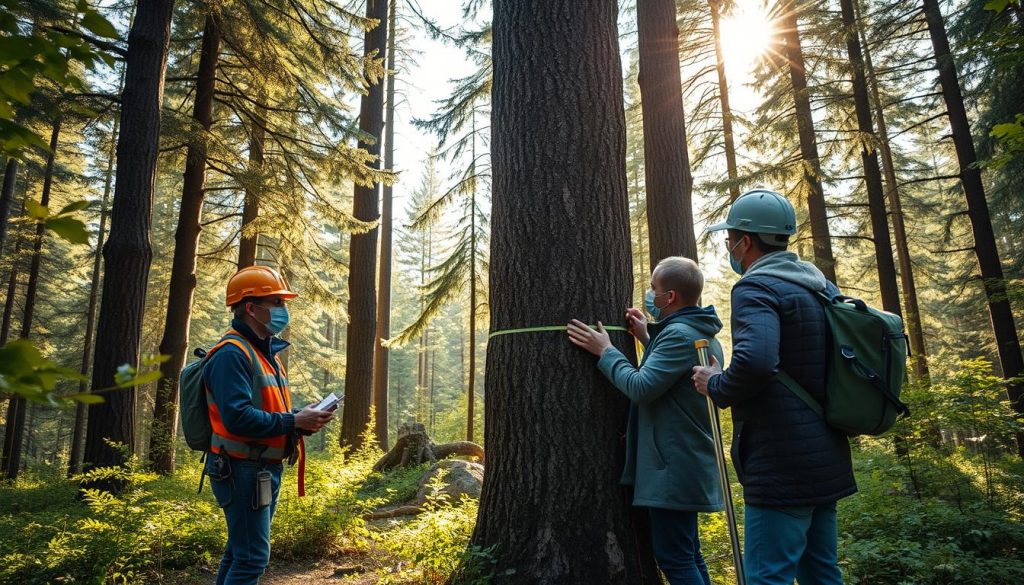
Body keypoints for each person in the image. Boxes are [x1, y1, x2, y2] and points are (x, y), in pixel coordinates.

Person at [691, 189, 857, 585]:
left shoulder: (757, 287)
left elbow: (757, 360)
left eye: (729, 239)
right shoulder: (820, 287)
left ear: (745, 242)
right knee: (821, 572)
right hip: (825, 454)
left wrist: (716, 384)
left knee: (767, 576)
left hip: (781, 463)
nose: (728, 247)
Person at [567, 256, 724, 585]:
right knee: (688, 553)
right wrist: (646, 336)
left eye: (654, 289)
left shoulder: (680, 336)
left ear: (671, 297)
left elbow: (641, 387)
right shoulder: (698, 332)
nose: (650, 295)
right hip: (684, 459)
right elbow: (673, 376)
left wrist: (606, 351)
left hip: (673, 464)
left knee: (676, 558)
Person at [203, 265, 334, 585]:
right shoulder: (231, 354)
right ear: (251, 308)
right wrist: (292, 420)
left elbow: (267, 408)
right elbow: (237, 417)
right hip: (241, 469)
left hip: (258, 467)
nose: (283, 310)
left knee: (239, 553)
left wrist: (301, 418)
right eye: (276, 302)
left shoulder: (264, 353)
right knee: (251, 559)